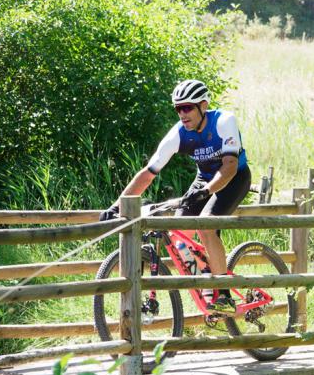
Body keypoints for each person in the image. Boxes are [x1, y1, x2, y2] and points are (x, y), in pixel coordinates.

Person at [100, 79, 251, 313]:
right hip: (204, 180)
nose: (182, 114)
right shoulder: (178, 134)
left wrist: (207, 191)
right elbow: (148, 174)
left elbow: (230, 166)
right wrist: (116, 205)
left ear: (203, 105)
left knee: (207, 225)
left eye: (187, 107)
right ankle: (207, 271)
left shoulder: (223, 121)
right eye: (178, 108)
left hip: (234, 177)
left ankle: (224, 293)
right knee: (179, 236)